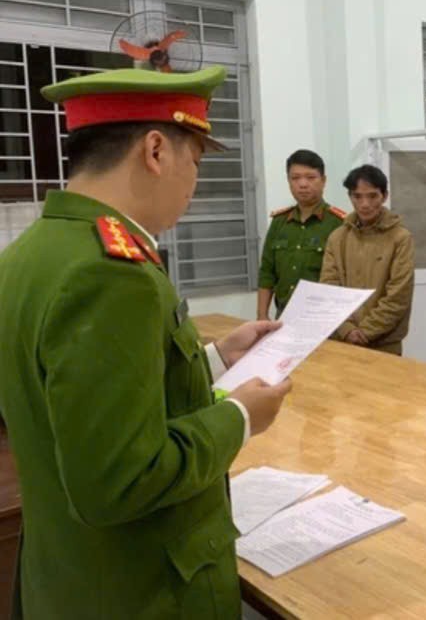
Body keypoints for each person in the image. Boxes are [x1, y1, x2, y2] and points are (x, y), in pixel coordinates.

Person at [0, 66, 292, 619]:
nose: (194, 184)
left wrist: (213, 360)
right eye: (196, 162)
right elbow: (120, 479)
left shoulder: (29, 253)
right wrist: (239, 417)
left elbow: (81, 399)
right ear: (155, 151)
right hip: (141, 589)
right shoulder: (109, 272)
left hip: (68, 576)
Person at [320, 164, 414, 355]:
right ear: (350, 197)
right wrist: (347, 330)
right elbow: (328, 289)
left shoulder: (400, 238)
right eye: (357, 196)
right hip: (342, 340)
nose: (364, 204)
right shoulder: (337, 238)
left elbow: (398, 295)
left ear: (384, 196)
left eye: (372, 196)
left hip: (385, 344)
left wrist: (365, 332)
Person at [257, 149, 345, 318]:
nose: (303, 184)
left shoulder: (339, 223)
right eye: (295, 178)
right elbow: (267, 272)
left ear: (323, 181)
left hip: (323, 315)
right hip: (283, 314)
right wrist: (262, 315)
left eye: (311, 177)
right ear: (288, 181)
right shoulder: (279, 222)